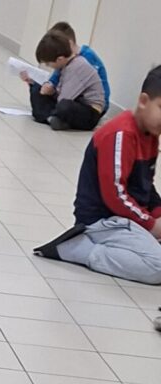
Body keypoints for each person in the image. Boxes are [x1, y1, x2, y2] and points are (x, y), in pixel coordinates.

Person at [34, 66, 161, 286]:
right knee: (157, 267)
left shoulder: (151, 134)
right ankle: (81, 249)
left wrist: (158, 214)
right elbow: (116, 195)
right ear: (143, 101)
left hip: (130, 220)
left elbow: (146, 187)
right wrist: (151, 224)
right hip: (102, 221)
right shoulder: (121, 134)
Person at [27, 30, 104, 131]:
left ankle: (50, 117)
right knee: (37, 89)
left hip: (89, 111)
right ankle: (53, 119)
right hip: (72, 100)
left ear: (59, 59)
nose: (49, 66)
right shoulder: (66, 65)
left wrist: (52, 92)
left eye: (48, 64)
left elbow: (64, 99)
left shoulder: (78, 67)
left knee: (64, 106)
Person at [40, 20, 110, 114]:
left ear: (69, 43)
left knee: (64, 106)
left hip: (87, 103)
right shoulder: (65, 59)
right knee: (38, 90)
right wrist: (49, 84)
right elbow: (56, 76)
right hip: (70, 95)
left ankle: (52, 115)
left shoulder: (86, 58)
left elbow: (74, 91)